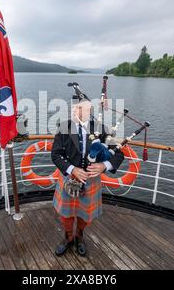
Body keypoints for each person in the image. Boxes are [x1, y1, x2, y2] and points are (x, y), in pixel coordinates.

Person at [51, 99, 124, 257]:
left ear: (89, 111)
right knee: (66, 214)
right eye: (74, 107)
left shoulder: (101, 129)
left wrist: (104, 165)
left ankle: (79, 236)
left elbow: (118, 154)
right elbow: (55, 155)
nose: (75, 110)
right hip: (69, 179)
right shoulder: (64, 127)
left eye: (79, 107)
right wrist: (72, 169)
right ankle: (68, 237)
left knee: (85, 215)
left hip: (91, 180)